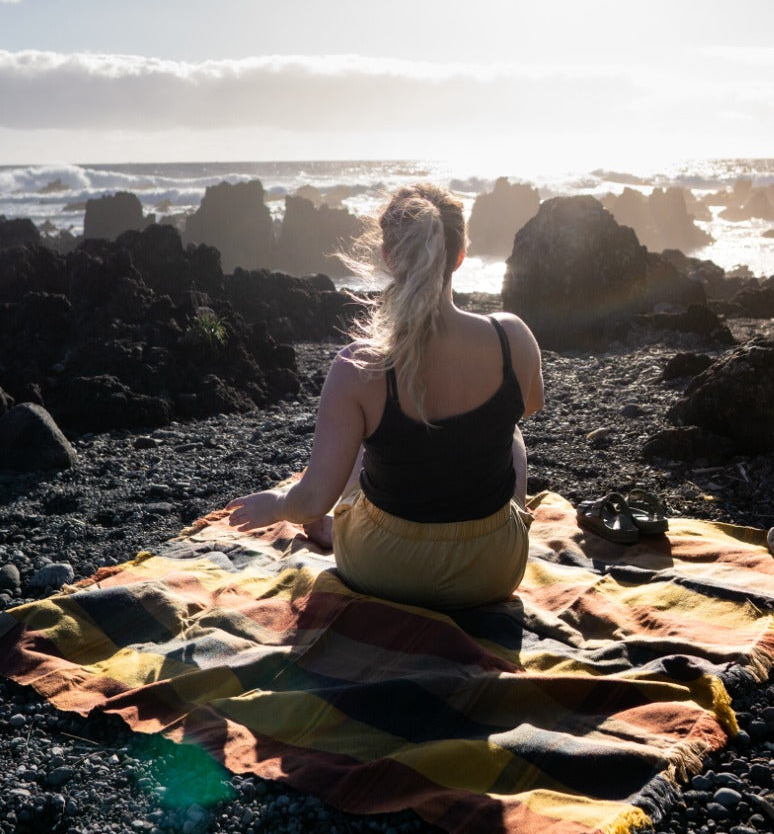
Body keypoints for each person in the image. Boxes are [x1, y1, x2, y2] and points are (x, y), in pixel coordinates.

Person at [226, 183, 544, 609]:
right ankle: (507, 523)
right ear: (460, 256)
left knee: (363, 443)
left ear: (389, 258)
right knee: (513, 433)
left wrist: (279, 505)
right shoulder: (512, 338)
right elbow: (531, 404)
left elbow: (314, 498)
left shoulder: (360, 366)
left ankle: (335, 530)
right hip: (490, 572)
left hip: (382, 570)